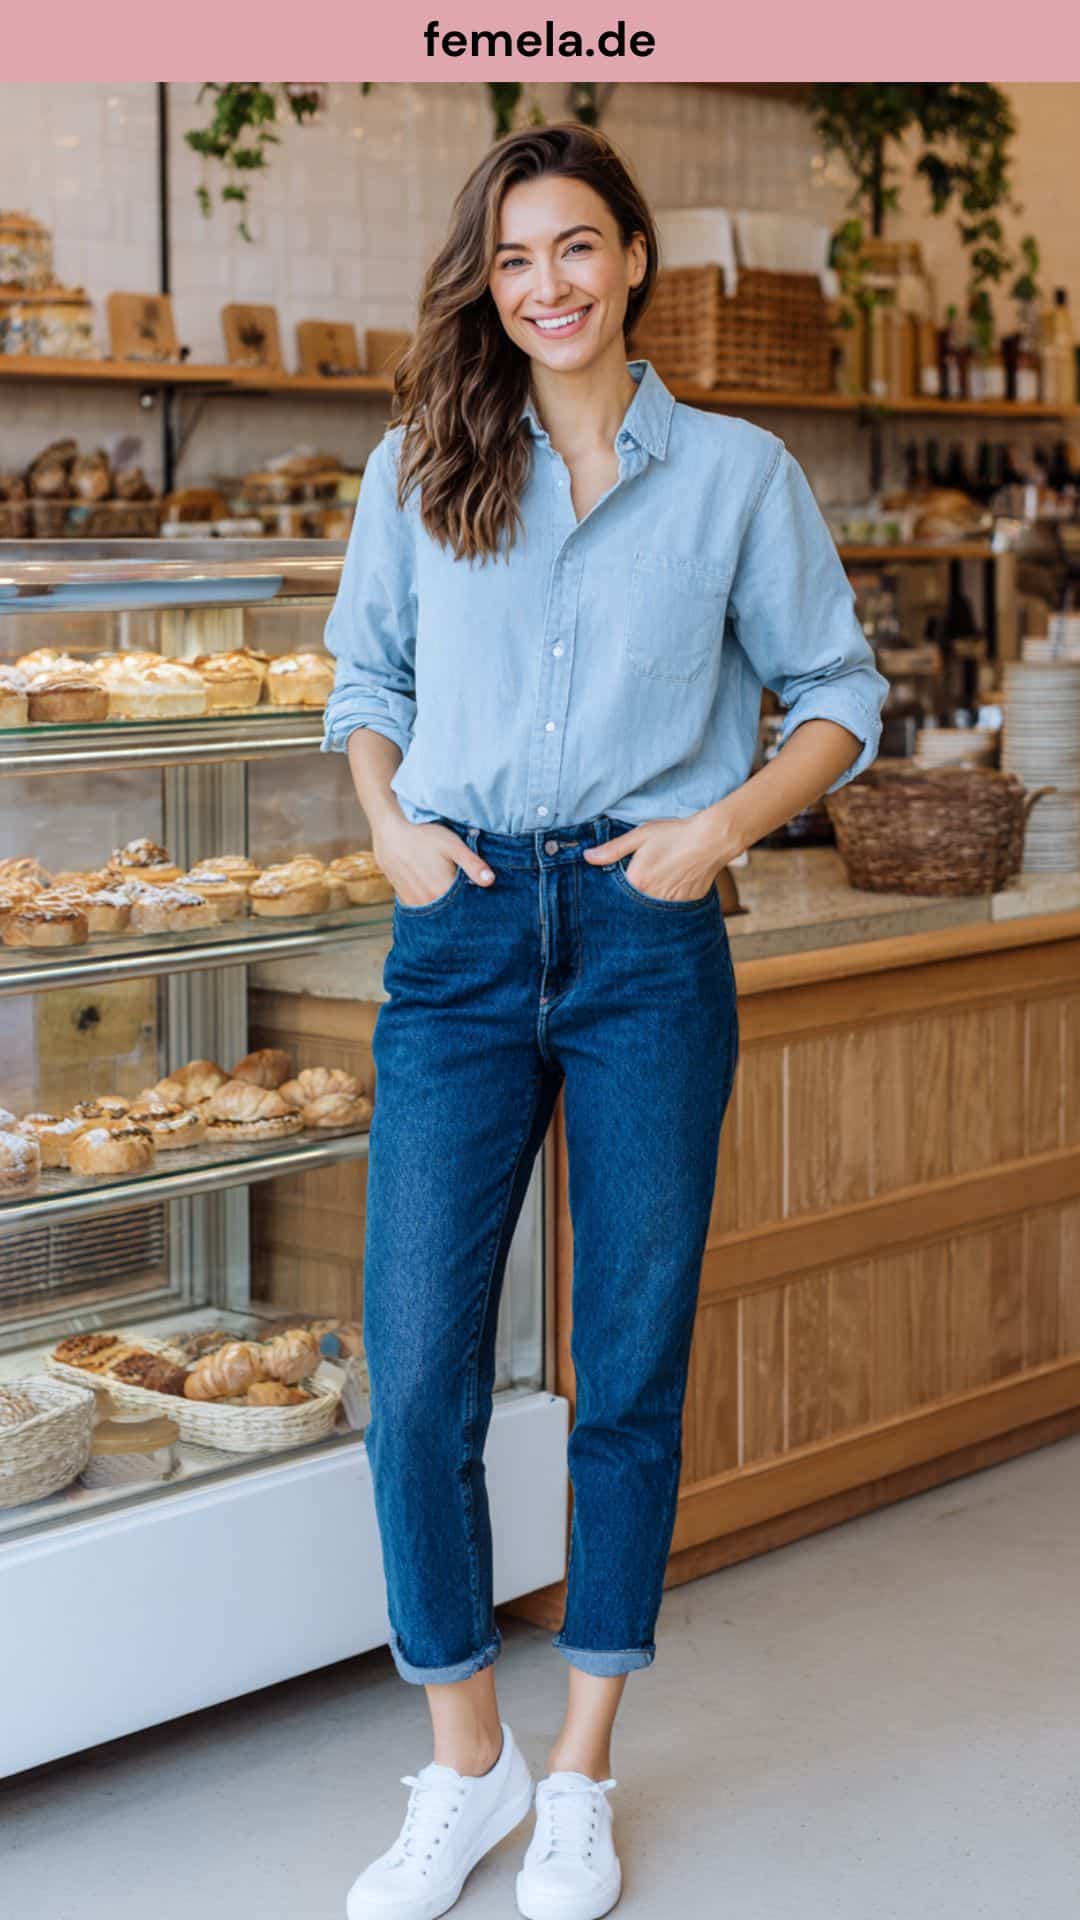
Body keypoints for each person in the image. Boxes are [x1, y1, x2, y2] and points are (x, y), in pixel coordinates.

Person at [322, 123, 889, 1920]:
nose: (546, 286)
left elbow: (837, 693)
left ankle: (580, 1777)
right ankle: (464, 1766)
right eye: (512, 261)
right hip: (464, 929)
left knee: (623, 1375)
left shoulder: (736, 475)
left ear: (635, 257)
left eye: (575, 248)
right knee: (414, 1375)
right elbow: (365, 681)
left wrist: (720, 830)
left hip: (650, 941)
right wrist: (393, 832)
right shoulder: (422, 464)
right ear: (485, 284)